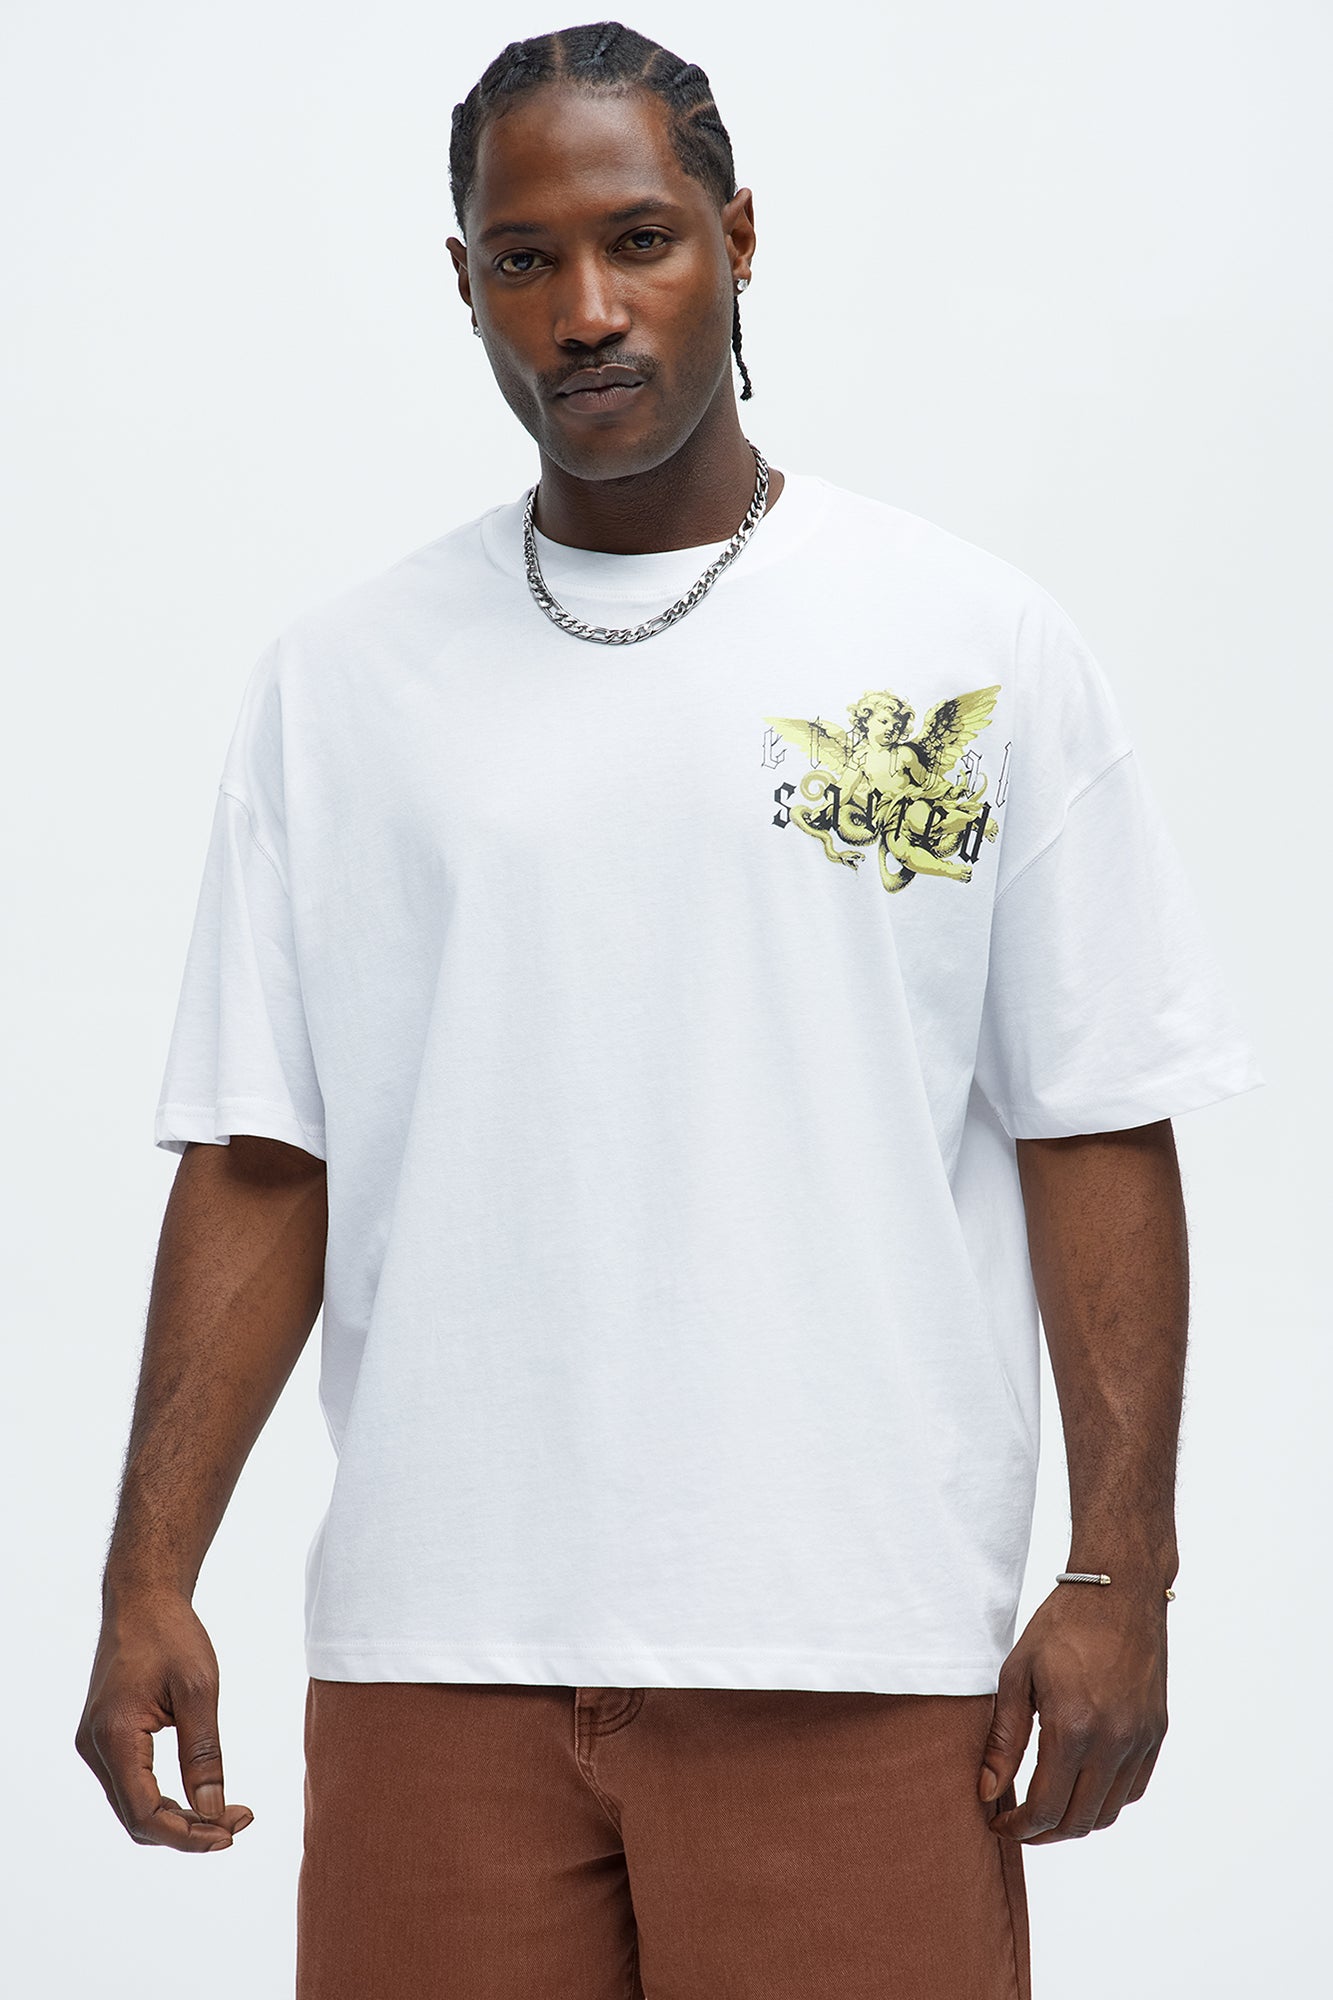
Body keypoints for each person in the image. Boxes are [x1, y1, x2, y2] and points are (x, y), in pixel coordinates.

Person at [76, 20, 1264, 1998]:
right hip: (438, 1655)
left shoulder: (961, 639)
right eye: (522, 259)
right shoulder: (341, 683)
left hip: (853, 1651)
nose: (585, 310)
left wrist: (1117, 1571)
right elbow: (266, 1154)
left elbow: (1092, 1119)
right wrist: (147, 1575)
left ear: (736, 237)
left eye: (637, 239)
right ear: (464, 283)